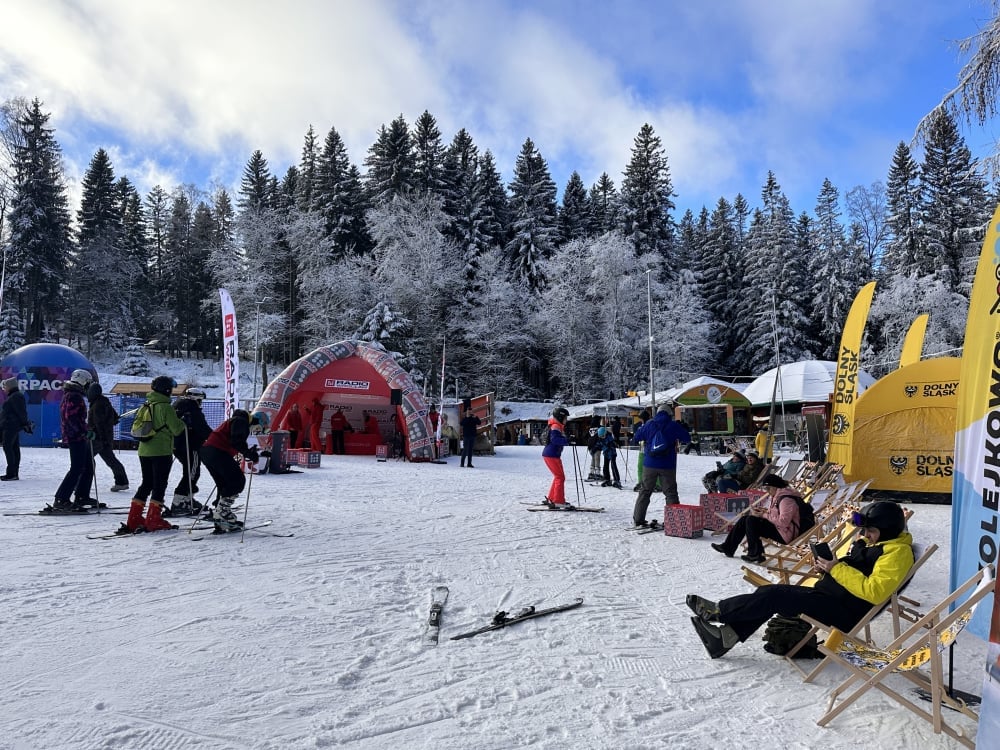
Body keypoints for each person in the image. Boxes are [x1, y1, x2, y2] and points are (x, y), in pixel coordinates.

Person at [688, 500, 914, 659]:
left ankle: (719, 611)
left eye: (870, 531)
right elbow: (857, 571)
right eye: (864, 530)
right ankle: (725, 637)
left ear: (889, 530)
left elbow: (874, 591)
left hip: (845, 612)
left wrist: (836, 570)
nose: (865, 535)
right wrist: (828, 568)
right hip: (830, 597)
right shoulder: (878, 544)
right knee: (769, 594)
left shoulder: (897, 553)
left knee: (773, 595)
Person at [119, 376, 187, 534]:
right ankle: (153, 518)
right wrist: (183, 421)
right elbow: (177, 429)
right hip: (161, 450)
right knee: (160, 484)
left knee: (147, 483)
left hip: (144, 450)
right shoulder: (165, 407)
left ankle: (134, 517)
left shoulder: (146, 405)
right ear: (167, 390)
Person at [709, 474, 802, 563]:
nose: (767, 491)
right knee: (745, 519)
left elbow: (783, 522)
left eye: (768, 488)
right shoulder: (777, 496)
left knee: (752, 521)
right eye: (766, 488)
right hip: (780, 529)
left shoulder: (786, 500)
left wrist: (763, 515)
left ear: (775, 486)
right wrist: (764, 511)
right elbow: (777, 513)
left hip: (785, 534)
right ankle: (728, 547)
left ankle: (756, 554)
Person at [199, 409, 263, 532]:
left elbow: (235, 441)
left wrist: (247, 451)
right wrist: (248, 453)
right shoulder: (241, 421)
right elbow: (237, 440)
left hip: (208, 451)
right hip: (217, 451)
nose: (256, 432)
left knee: (224, 483)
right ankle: (222, 512)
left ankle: (221, 516)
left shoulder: (233, 421)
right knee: (237, 481)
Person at [46, 369, 98, 513]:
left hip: (78, 435)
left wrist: (85, 429)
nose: (88, 386)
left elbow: (77, 419)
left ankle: (82, 495)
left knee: (89, 465)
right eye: (88, 383)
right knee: (77, 467)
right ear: (82, 381)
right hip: (76, 437)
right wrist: (84, 431)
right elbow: (71, 418)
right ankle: (61, 498)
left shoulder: (73, 395)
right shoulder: (74, 396)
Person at [632, 404, 690, 527]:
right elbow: (687, 438)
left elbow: (636, 437)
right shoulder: (673, 425)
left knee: (645, 491)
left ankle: (638, 518)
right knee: (670, 493)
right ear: (670, 414)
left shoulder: (649, 424)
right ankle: (673, 520)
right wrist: (682, 428)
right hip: (667, 465)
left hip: (649, 464)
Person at [169, 387, 212, 515]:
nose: (201, 403)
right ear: (196, 398)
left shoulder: (177, 405)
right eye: (200, 400)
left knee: (189, 471)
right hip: (190, 445)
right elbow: (202, 428)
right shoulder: (192, 408)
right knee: (193, 472)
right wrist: (215, 438)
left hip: (176, 444)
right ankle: (179, 500)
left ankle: (187, 499)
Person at [86, 381, 129, 493]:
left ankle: (79, 483)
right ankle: (122, 481)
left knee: (85, 459)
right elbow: (115, 418)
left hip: (98, 438)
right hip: (105, 438)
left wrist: (100, 437)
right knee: (111, 460)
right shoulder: (105, 402)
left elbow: (98, 423)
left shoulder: (97, 405)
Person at [1, 376, 30, 480]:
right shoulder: (15, 396)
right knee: (13, 448)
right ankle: (13, 473)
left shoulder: (15, 396)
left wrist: (25, 423)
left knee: (9, 448)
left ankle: (12, 473)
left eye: (5, 386)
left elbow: (21, 412)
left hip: (11, 426)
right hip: (11, 425)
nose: (4, 389)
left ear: (10, 386)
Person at [541, 407, 570, 505]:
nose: (566, 420)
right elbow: (555, 440)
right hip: (551, 454)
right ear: (560, 417)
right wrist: (567, 441)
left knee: (558, 476)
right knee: (560, 477)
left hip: (551, 454)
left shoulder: (556, 425)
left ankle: (552, 498)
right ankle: (558, 500)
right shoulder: (556, 426)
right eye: (565, 418)